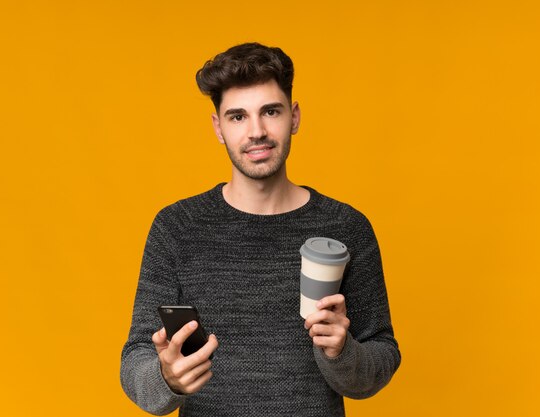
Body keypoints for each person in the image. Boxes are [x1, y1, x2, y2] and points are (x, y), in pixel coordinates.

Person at [120, 42, 401, 416]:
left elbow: (381, 357)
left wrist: (342, 352)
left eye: (270, 111)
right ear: (218, 127)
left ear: (294, 117)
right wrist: (165, 378)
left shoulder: (346, 227)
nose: (257, 132)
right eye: (237, 117)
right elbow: (135, 360)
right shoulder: (177, 227)